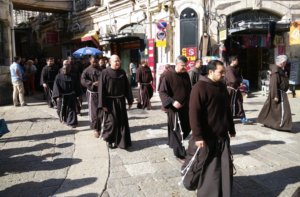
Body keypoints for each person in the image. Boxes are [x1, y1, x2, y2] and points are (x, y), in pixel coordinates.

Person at [183, 60, 236, 196]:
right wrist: (198, 136)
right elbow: (194, 113)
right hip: (206, 136)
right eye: (221, 72)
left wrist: (231, 128)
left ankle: (221, 191)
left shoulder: (222, 86)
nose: (224, 74)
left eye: (224, 72)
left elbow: (227, 110)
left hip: (222, 135)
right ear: (211, 72)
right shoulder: (199, 87)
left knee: (222, 165)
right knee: (205, 165)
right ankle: (196, 186)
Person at [159, 55, 192, 163]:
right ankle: (180, 154)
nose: (185, 67)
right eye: (183, 65)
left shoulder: (186, 75)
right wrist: (172, 101)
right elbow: (162, 92)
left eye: (186, 65)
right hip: (174, 109)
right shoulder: (168, 76)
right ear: (176, 64)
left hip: (186, 107)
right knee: (178, 131)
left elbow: (189, 89)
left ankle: (173, 143)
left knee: (187, 128)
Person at [98, 55, 133, 149]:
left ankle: (122, 141)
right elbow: (101, 89)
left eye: (118, 61)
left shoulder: (122, 72)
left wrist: (130, 100)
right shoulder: (104, 72)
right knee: (111, 122)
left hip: (120, 101)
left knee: (122, 122)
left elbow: (127, 87)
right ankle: (109, 139)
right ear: (110, 61)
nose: (117, 63)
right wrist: (102, 104)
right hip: (109, 101)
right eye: (115, 61)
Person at [257, 55, 292, 131]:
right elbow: (273, 84)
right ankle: (282, 125)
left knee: (271, 108)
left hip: (279, 92)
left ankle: (267, 121)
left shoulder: (278, 70)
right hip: (278, 93)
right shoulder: (276, 71)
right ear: (282, 63)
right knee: (283, 110)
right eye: (285, 62)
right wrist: (275, 95)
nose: (285, 63)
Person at [52, 61, 83, 128]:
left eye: (67, 69)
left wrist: (79, 95)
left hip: (71, 95)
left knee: (71, 109)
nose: (65, 70)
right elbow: (56, 87)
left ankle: (71, 122)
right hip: (61, 96)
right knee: (60, 110)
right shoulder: (58, 77)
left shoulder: (73, 76)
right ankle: (63, 118)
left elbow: (77, 87)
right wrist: (57, 96)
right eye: (64, 69)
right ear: (62, 69)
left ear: (70, 69)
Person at [225, 56, 253, 124]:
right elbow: (233, 80)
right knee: (230, 105)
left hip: (235, 89)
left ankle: (243, 119)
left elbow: (238, 78)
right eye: (236, 60)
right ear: (232, 61)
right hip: (231, 90)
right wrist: (240, 81)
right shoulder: (229, 69)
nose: (237, 62)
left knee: (239, 103)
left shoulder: (234, 69)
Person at [81, 55, 103, 138]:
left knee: (101, 112)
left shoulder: (101, 70)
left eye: (96, 62)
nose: (95, 63)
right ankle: (95, 129)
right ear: (90, 60)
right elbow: (83, 81)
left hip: (100, 93)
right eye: (93, 62)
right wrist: (93, 84)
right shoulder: (86, 70)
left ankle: (100, 127)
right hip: (92, 93)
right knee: (94, 113)